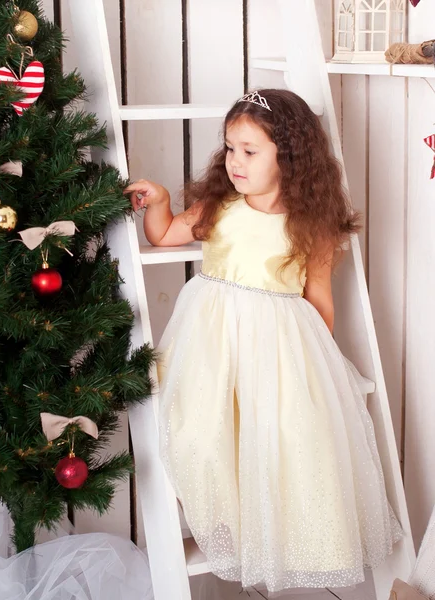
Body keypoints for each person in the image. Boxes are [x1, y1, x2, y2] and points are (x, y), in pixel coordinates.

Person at [124, 89, 403, 594]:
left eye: (250, 151)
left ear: (289, 157)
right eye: (230, 148)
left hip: (276, 349)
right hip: (209, 342)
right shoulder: (221, 206)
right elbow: (164, 236)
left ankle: (268, 530)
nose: (235, 161)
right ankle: (226, 525)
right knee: (199, 432)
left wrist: (314, 367)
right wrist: (161, 202)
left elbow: (319, 299)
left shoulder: (310, 225)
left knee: (278, 438)